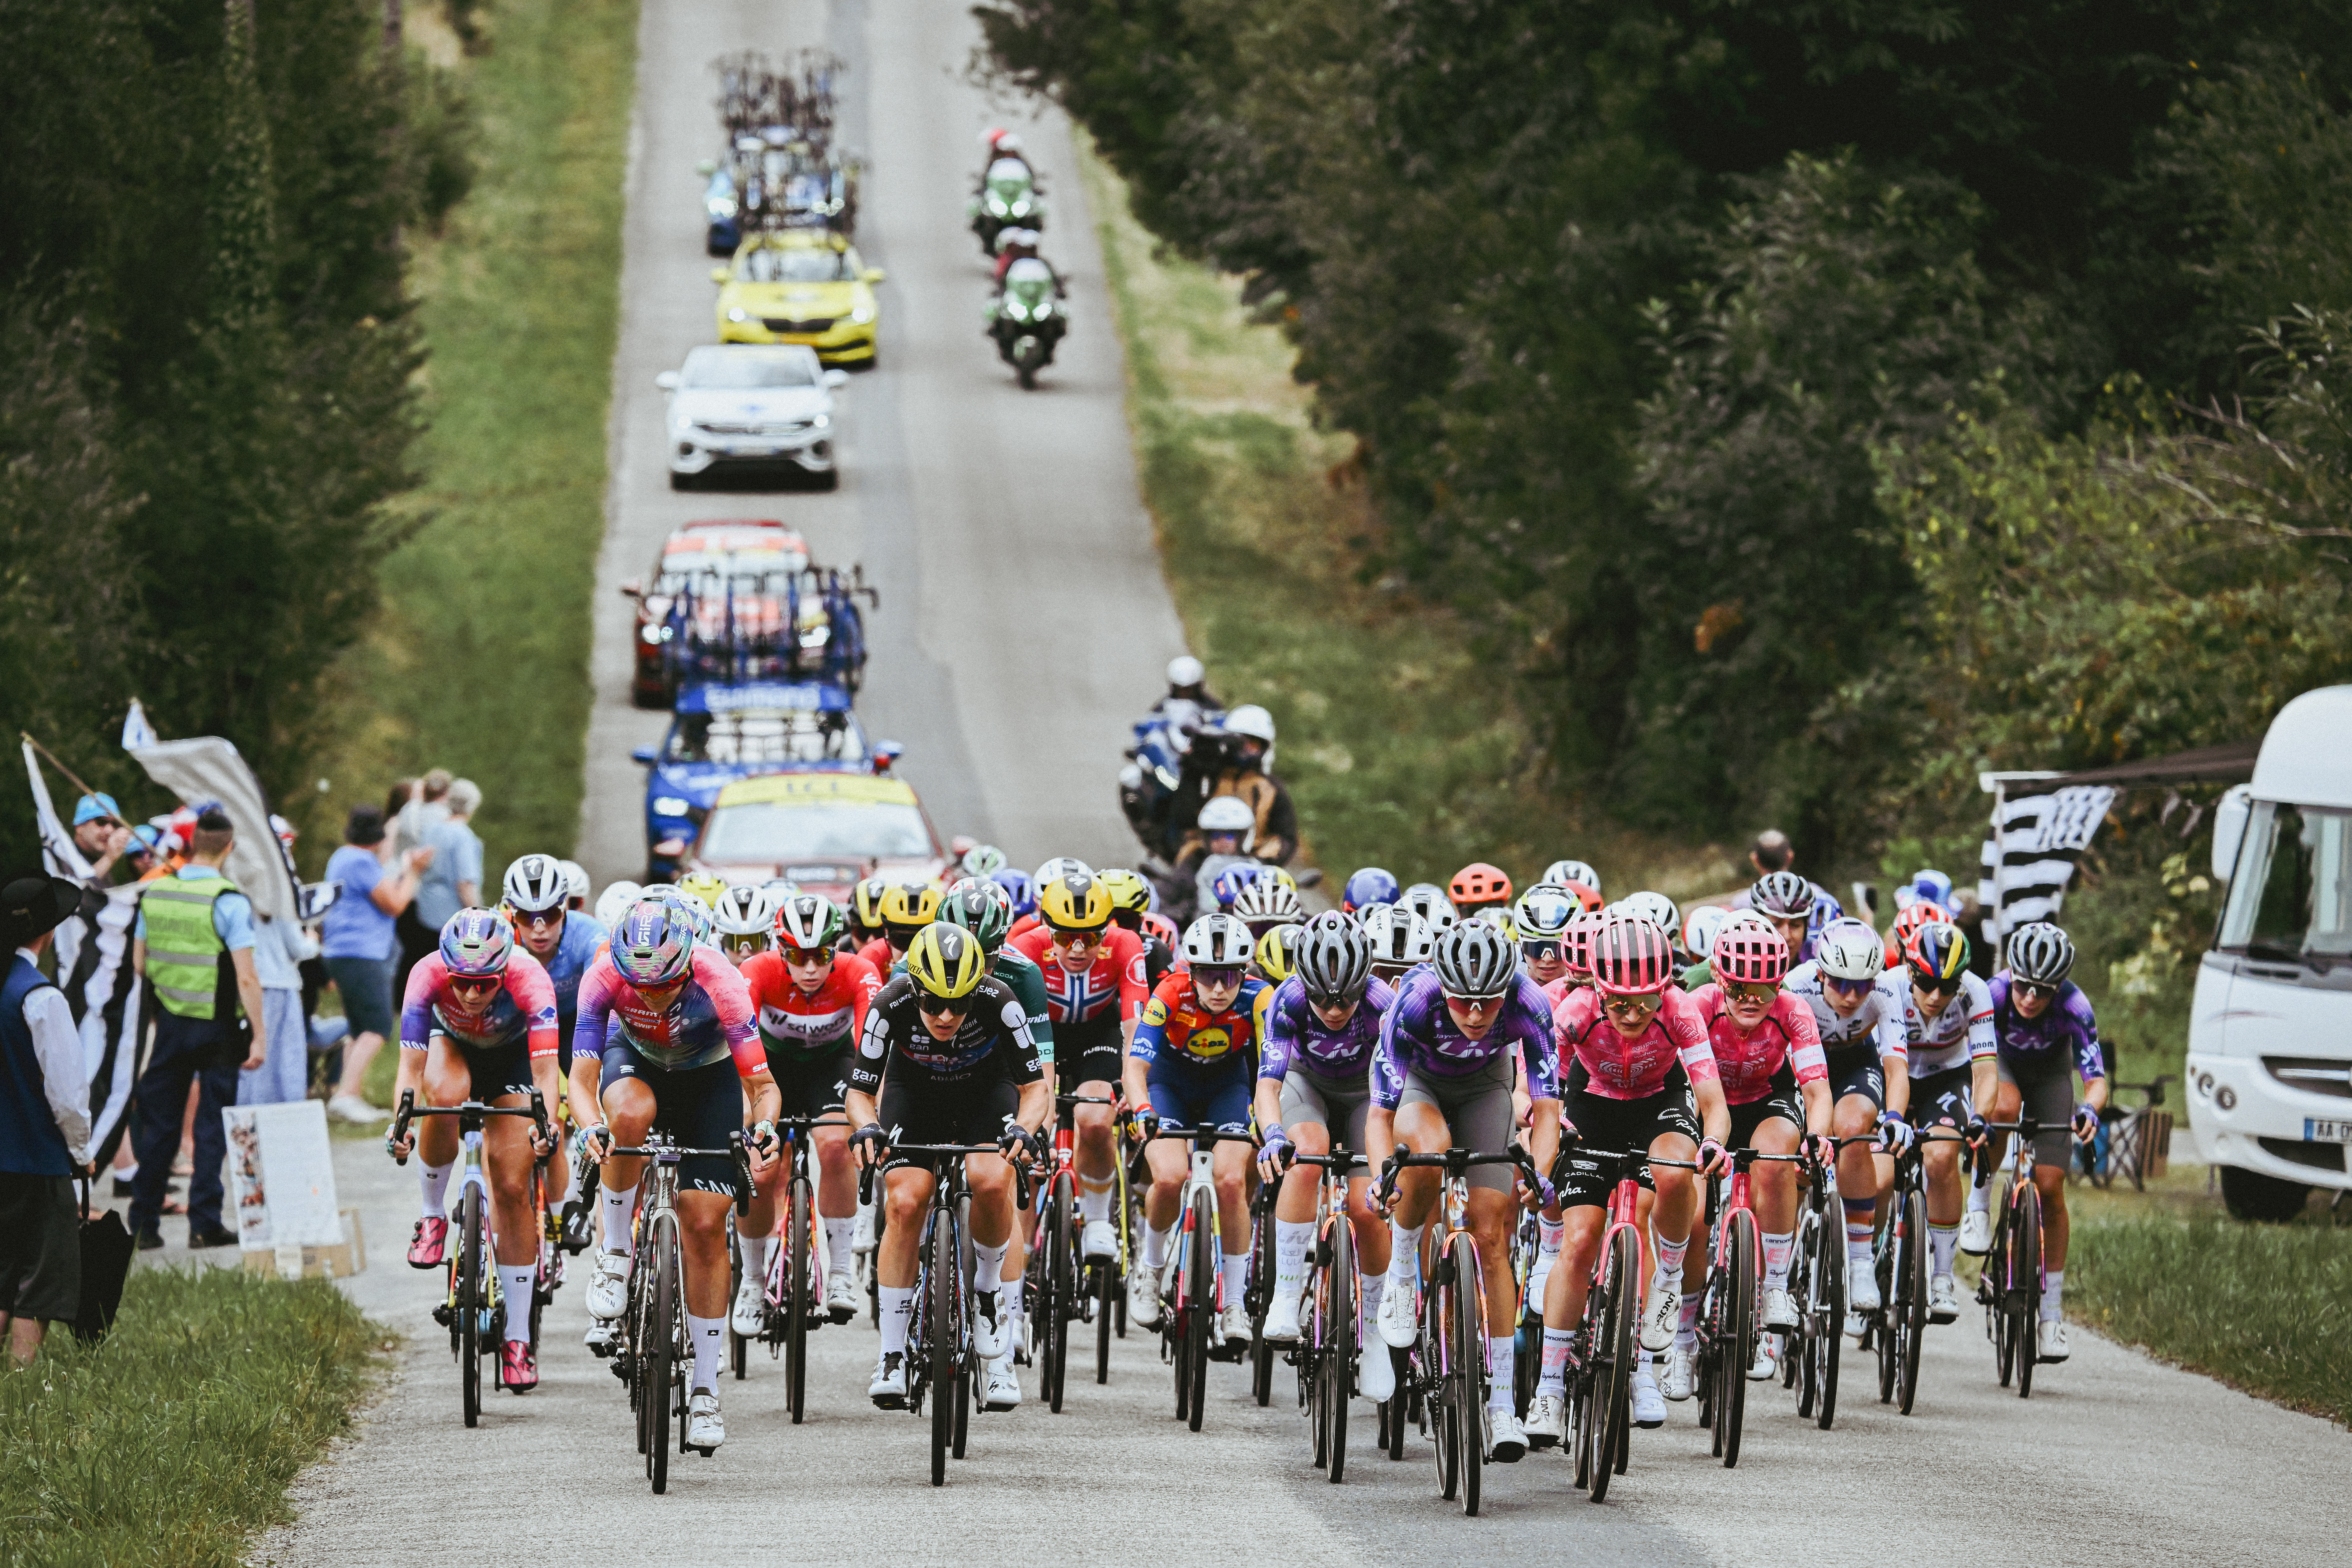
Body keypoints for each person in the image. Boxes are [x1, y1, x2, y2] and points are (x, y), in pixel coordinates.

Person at [572, 900, 781, 1450]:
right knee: (627, 1119)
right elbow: (579, 1079)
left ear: (688, 961)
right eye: (639, 987)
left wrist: (764, 1128)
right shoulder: (602, 979)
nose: (652, 997)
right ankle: (615, 1253)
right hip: (635, 1063)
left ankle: (707, 1388)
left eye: (665, 984)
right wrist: (589, 1124)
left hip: (706, 1078)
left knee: (707, 1226)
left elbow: (762, 1087)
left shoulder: (723, 982)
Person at [1528, 914, 1725, 1447]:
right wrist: (1553, 1132)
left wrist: (1713, 1142)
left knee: (1675, 1172)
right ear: (1599, 988)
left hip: (1657, 1105)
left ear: (1664, 989)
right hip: (1591, 1106)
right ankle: (1548, 1385)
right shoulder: (1573, 1012)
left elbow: (1712, 1103)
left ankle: (1665, 1279)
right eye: (1619, 1002)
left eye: (1646, 1001)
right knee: (1581, 1240)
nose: (1633, 1013)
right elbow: (1546, 1094)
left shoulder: (1680, 1011)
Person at [1369, 919, 1561, 1460]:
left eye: (1488, 1003)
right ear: (1443, 990)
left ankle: (1501, 1404)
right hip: (1420, 1085)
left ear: (1507, 991)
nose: (1476, 1015)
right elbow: (1380, 1114)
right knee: (1428, 1151)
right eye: (1464, 1002)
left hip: (1486, 1087)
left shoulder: (1530, 1000)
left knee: (1492, 1230)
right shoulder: (1412, 1000)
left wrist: (1541, 1174)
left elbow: (1547, 1107)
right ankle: (1403, 1271)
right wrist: (1385, 1176)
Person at [850, 923, 1049, 1414]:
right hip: (914, 1094)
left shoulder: (1001, 1000)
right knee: (904, 1200)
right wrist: (867, 1127)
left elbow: (1035, 1089)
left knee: (989, 1179)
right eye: (934, 1002)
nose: (945, 1015)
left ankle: (987, 1295)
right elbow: (859, 1091)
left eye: (959, 1005)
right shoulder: (889, 1004)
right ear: (914, 988)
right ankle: (892, 1355)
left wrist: (1025, 1129)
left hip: (986, 1092)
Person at [385, 909, 563, 1391]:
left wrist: (545, 1123)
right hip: (453, 1046)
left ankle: (519, 1339)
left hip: (513, 1056)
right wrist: (400, 1121)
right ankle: (432, 1215)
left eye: (484, 983)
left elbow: (546, 1074)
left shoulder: (531, 977)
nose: (470, 993)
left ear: (504, 970)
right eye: (461, 981)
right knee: (442, 1096)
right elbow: (409, 1070)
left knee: (510, 1184)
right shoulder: (426, 974)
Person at [1678, 923, 1833, 1390]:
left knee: (1775, 1160)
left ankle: (1774, 1289)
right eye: (1741, 986)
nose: (1752, 997)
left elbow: (1818, 1092)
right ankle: (1683, 1339)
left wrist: (1818, 1136)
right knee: (1696, 1218)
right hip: (1707, 1102)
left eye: (1764, 987)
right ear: (1722, 980)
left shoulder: (1793, 1010)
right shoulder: (1699, 1006)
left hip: (1766, 1099)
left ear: (1779, 983)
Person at [1251, 913, 1397, 1398]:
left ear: (1364, 984)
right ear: (1304, 985)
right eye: (1321, 997)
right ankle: (1287, 1291)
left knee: (1368, 1205)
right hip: (1306, 1086)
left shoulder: (1384, 1004)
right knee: (1306, 1149)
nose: (1334, 1009)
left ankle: (1374, 1332)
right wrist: (1273, 1133)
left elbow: (1404, 1089)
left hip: (1364, 1098)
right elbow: (1268, 1086)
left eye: (1345, 998)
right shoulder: (1286, 1000)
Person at [733, 893, 879, 1333]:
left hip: (829, 1069)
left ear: (837, 950)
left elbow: (872, 1051)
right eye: (798, 956)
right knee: (758, 1167)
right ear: (780, 950)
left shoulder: (859, 972)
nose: (811, 968)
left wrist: (874, 1109)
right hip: (768, 1069)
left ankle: (838, 1274)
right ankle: (753, 1281)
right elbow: (740, 1046)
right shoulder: (756, 971)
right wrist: (748, 1110)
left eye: (821, 956)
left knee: (836, 1145)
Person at [1124, 913, 1267, 1349]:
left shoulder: (1261, 998)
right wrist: (1143, 1107)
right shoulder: (1170, 991)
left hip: (1229, 1087)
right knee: (1169, 1175)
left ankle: (1235, 1302)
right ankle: (1149, 1270)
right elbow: (1136, 1065)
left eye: (1229, 976)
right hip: (1170, 1086)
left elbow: (1271, 1073)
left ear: (1244, 973)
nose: (1220, 988)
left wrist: (1268, 1121)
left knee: (1230, 1180)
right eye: (1208, 975)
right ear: (1192, 970)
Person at [127, 809, 266, 1250]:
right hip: (219, 1026)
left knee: (161, 1126)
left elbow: (138, 963)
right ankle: (205, 1223)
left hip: (170, 1022)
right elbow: (246, 977)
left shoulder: (156, 891)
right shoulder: (227, 899)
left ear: (189, 844)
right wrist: (260, 1034)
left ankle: (144, 1224)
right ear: (229, 847)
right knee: (210, 1127)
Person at [1974, 921, 2106, 1364]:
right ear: (2013, 974)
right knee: (2005, 1109)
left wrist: (2089, 1109)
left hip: (2052, 1075)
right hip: (2004, 1066)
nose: (2030, 997)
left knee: (2050, 1186)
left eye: (2043, 990)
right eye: (2024, 985)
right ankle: (1981, 1195)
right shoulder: (1993, 993)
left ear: (2059, 987)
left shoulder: (2075, 1004)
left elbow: (2095, 1078)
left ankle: (2050, 1318)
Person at [1010, 874, 1146, 1273]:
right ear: (1046, 927)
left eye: (1090, 937)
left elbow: (1134, 1026)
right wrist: (1040, 1098)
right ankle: (1020, 1266)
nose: (1077, 948)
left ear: (1107, 930)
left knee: (1096, 1119)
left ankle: (1099, 1219)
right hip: (1039, 1034)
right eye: (1066, 936)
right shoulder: (1026, 948)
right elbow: (1019, 1030)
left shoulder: (1126, 944)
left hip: (1096, 1035)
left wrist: (1129, 1082)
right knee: (1032, 1144)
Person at [1781, 914, 1913, 1322]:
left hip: (1857, 1065)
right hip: (1802, 1067)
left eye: (1862, 985)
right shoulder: (1796, 986)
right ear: (1820, 973)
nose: (1852, 995)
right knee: (1798, 1156)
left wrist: (1893, 1117)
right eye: (1840, 983)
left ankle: (1859, 1263)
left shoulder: (1888, 989)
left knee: (1854, 1130)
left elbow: (1895, 1068)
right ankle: (1780, 1263)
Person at [0, 873, 94, 1366]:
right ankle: (22, 1379)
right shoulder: (41, 998)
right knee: (38, 1271)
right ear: (48, 932)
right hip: (37, 1156)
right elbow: (67, 1094)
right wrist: (82, 1152)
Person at [1896, 922, 1996, 1321]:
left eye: (1948, 986)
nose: (1937, 996)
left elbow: (1986, 1070)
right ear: (1908, 968)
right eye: (1926, 982)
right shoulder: (1888, 987)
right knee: (1881, 1164)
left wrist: (1979, 1118)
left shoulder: (1976, 992)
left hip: (1946, 1075)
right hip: (1896, 1071)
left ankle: (1941, 1277)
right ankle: (1864, 1258)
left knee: (1940, 1158)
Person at [320, 805, 430, 1124]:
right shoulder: (361, 861)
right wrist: (414, 872)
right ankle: (347, 1095)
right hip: (361, 953)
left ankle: (344, 1092)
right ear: (378, 837)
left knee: (358, 1027)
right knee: (377, 1026)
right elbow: (395, 903)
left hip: (342, 950)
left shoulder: (342, 857)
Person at [1172, 706, 1297, 870]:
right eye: (1240, 743)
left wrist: (1261, 862)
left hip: (1253, 866)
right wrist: (1192, 770)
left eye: (1253, 744)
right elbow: (1184, 819)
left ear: (1264, 748)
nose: (1246, 750)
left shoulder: (1272, 788)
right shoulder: (1208, 778)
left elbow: (1286, 839)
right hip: (1206, 859)